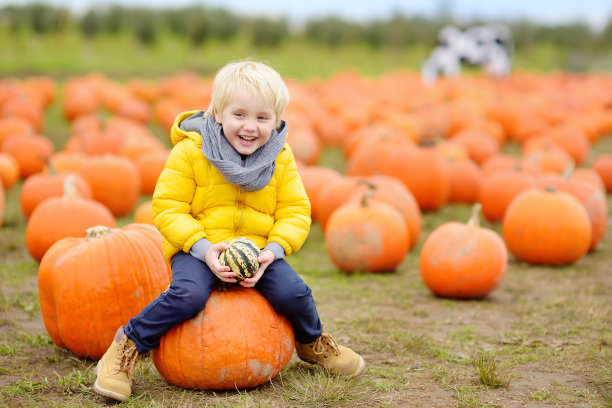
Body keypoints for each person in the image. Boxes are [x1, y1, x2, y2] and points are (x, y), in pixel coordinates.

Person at [93, 59, 366, 402]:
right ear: (218, 113)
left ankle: (312, 342)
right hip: (198, 246)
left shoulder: (280, 157)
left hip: (257, 251)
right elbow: (167, 207)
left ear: (277, 121)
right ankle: (126, 347)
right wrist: (204, 248)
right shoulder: (191, 152)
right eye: (240, 115)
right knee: (189, 295)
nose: (250, 127)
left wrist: (273, 252)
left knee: (294, 292)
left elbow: (296, 211)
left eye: (262, 118)